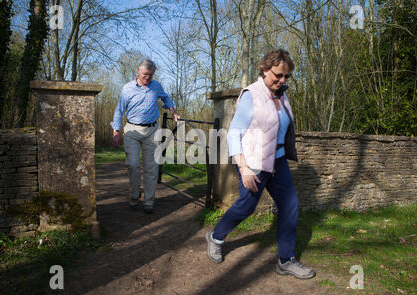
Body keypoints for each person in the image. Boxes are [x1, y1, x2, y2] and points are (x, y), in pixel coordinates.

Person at [205, 49, 316, 279]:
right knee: (246, 206)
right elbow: (234, 134)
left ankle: (286, 260)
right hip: (253, 162)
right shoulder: (251, 95)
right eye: (278, 75)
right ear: (265, 69)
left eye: (287, 77)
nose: (282, 80)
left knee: (290, 206)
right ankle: (215, 237)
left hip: (278, 161)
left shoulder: (282, 95)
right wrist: (243, 168)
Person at [111, 59, 180, 214]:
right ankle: (135, 195)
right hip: (132, 131)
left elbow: (166, 98)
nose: (148, 77)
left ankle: (149, 201)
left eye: (151, 74)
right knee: (133, 165)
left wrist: (173, 111)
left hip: (152, 131)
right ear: (138, 71)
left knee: (151, 167)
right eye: (145, 74)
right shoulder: (127, 88)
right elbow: (119, 110)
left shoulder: (156, 86)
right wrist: (116, 131)